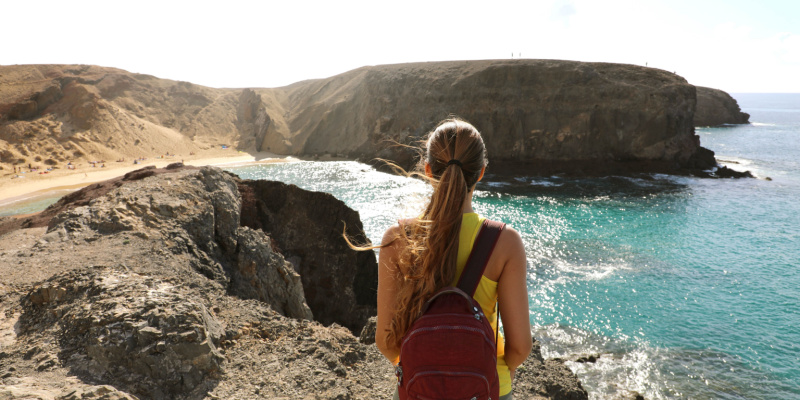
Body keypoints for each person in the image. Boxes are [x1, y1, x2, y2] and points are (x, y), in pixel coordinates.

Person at [373, 118, 532, 399]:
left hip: (418, 388)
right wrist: (499, 372)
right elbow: (519, 348)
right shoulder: (505, 242)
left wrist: (423, 370)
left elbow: (386, 342)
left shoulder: (397, 239)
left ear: (427, 169)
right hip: (485, 387)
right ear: (481, 173)